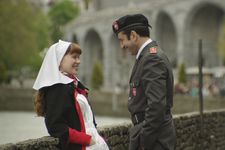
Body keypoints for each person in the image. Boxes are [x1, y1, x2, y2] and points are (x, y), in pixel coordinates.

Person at [112, 14, 176, 150]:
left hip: (154, 141)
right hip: (153, 137)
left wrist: (144, 142)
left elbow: (156, 106)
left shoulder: (151, 59)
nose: (122, 46)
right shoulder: (147, 56)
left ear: (134, 36)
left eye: (122, 40)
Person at [33, 40, 109, 150]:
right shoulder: (57, 88)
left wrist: (97, 139)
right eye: (74, 57)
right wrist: (87, 140)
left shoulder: (73, 84)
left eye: (79, 57)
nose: (78, 61)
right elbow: (55, 126)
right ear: (59, 59)